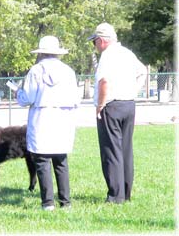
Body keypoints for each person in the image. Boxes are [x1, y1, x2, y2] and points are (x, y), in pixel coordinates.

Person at [14, 35, 79, 211]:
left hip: (42, 118)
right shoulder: (68, 71)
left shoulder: (36, 71)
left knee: (42, 161)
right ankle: (65, 202)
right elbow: (76, 98)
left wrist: (18, 94)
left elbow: (28, 97)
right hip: (62, 119)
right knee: (61, 160)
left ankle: (48, 203)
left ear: (41, 53)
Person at [88, 22, 147, 204]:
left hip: (111, 106)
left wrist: (100, 104)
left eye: (94, 42)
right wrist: (133, 91)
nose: (95, 46)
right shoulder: (127, 53)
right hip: (128, 105)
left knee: (111, 151)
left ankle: (115, 196)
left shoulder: (107, 56)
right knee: (125, 149)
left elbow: (104, 81)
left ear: (102, 40)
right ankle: (126, 192)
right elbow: (143, 72)